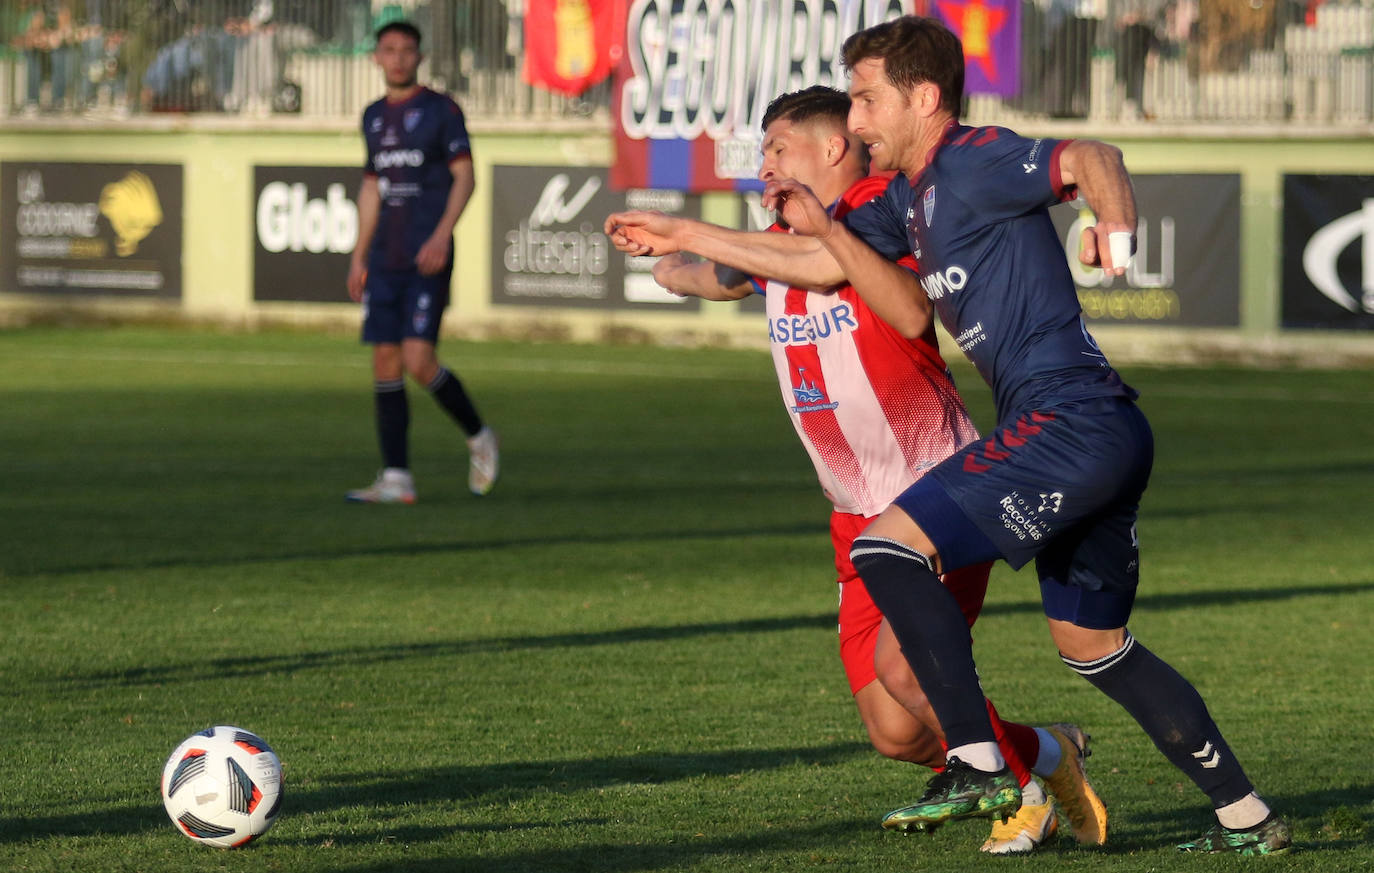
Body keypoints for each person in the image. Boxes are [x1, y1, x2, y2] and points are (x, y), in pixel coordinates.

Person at [606, 15, 1289, 857]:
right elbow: (821, 266)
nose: (856, 120)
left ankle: (979, 761)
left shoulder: (971, 158)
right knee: (1095, 652)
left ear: (923, 98)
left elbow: (1092, 159)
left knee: (888, 550)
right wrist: (683, 239)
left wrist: (1112, 227)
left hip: (1068, 420)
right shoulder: (902, 201)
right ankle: (1247, 816)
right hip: (1087, 431)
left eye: (865, 99)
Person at [618, 85, 1108, 855]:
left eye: (778, 148)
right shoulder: (784, 242)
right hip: (852, 516)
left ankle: (1024, 799)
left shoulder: (882, 215)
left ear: (833, 150)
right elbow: (734, 276)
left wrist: (693, 236)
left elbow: (910, 310)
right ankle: (1050, 751)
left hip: (934, 495)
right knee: (893, 731)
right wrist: (669, 261)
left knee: (910, 674)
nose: (764, 164)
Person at [345, 19, 497, 503]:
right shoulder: (372, 117)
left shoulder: (441, 110)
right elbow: (372, 187)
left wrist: (442, 235)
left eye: (406, 50)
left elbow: (465, 177)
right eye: (388, 50)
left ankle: (479, 435)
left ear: (419, 57)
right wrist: (358, 256)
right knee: (385, 359)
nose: (397, 59)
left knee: (418, 358)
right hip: (385, 256)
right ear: (376, 57)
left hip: (426, 254)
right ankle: (396, 478)